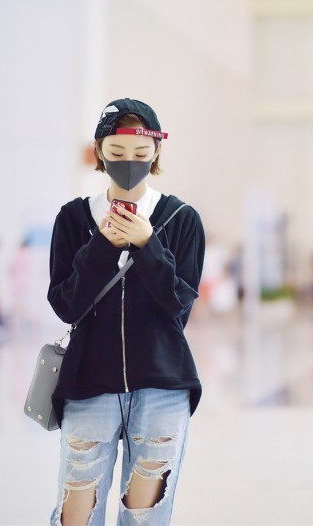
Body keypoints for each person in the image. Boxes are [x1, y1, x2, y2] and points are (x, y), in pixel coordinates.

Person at [47, 98, 205, 525]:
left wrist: (148, 245)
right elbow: (65, 304)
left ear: (156, 152)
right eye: (116, 152)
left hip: (162, 387)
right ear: (99, 151)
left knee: (145, 516)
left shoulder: (182, 219)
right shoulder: (74, 218)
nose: (129, 162)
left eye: (140, 152)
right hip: (88, 385)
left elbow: (178, 305)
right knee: (76, 516)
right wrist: (101, 247)